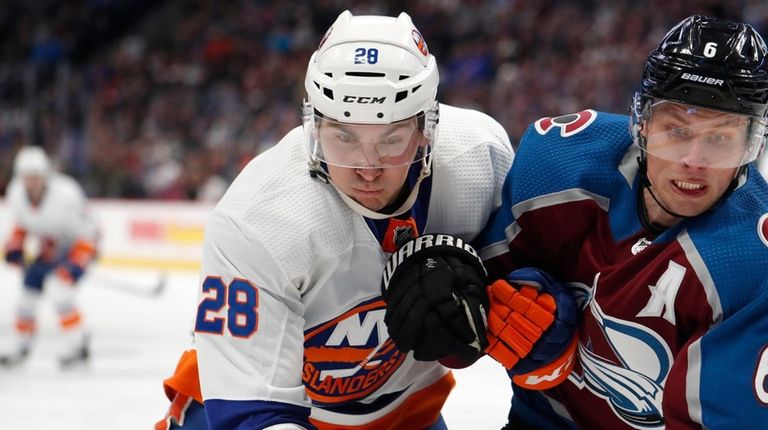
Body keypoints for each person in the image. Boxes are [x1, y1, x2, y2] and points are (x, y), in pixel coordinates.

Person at [386, 14, 768, 429]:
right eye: (675, 130)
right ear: (641, 122)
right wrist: (453, 292)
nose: (693, 161)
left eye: (720, 138)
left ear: (752, 144)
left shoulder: (751, 262)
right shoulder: (559, 166)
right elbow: (473, 302)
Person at [156, 10, 515, 430]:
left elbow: (533, 307)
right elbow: (252, 413)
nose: (367, 166)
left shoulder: (478, 161)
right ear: (314, 126)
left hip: (399, 412)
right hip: (242, 411)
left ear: (426, 130)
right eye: (343, 136)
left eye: (392, 138)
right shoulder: (257, 218)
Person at [1, 146, 98, 368]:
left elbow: (88, 232)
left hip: (77, 245)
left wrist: (77, 263)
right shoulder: (16, 193)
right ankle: (21, 344)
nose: (32, 183)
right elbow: (21, 225)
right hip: (49, 248)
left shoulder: (66, 194)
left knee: (59, 290)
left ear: (45, 176)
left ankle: (77, 343)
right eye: (28, 178)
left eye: (36, 177)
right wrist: (14, 247)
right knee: (26, 297)